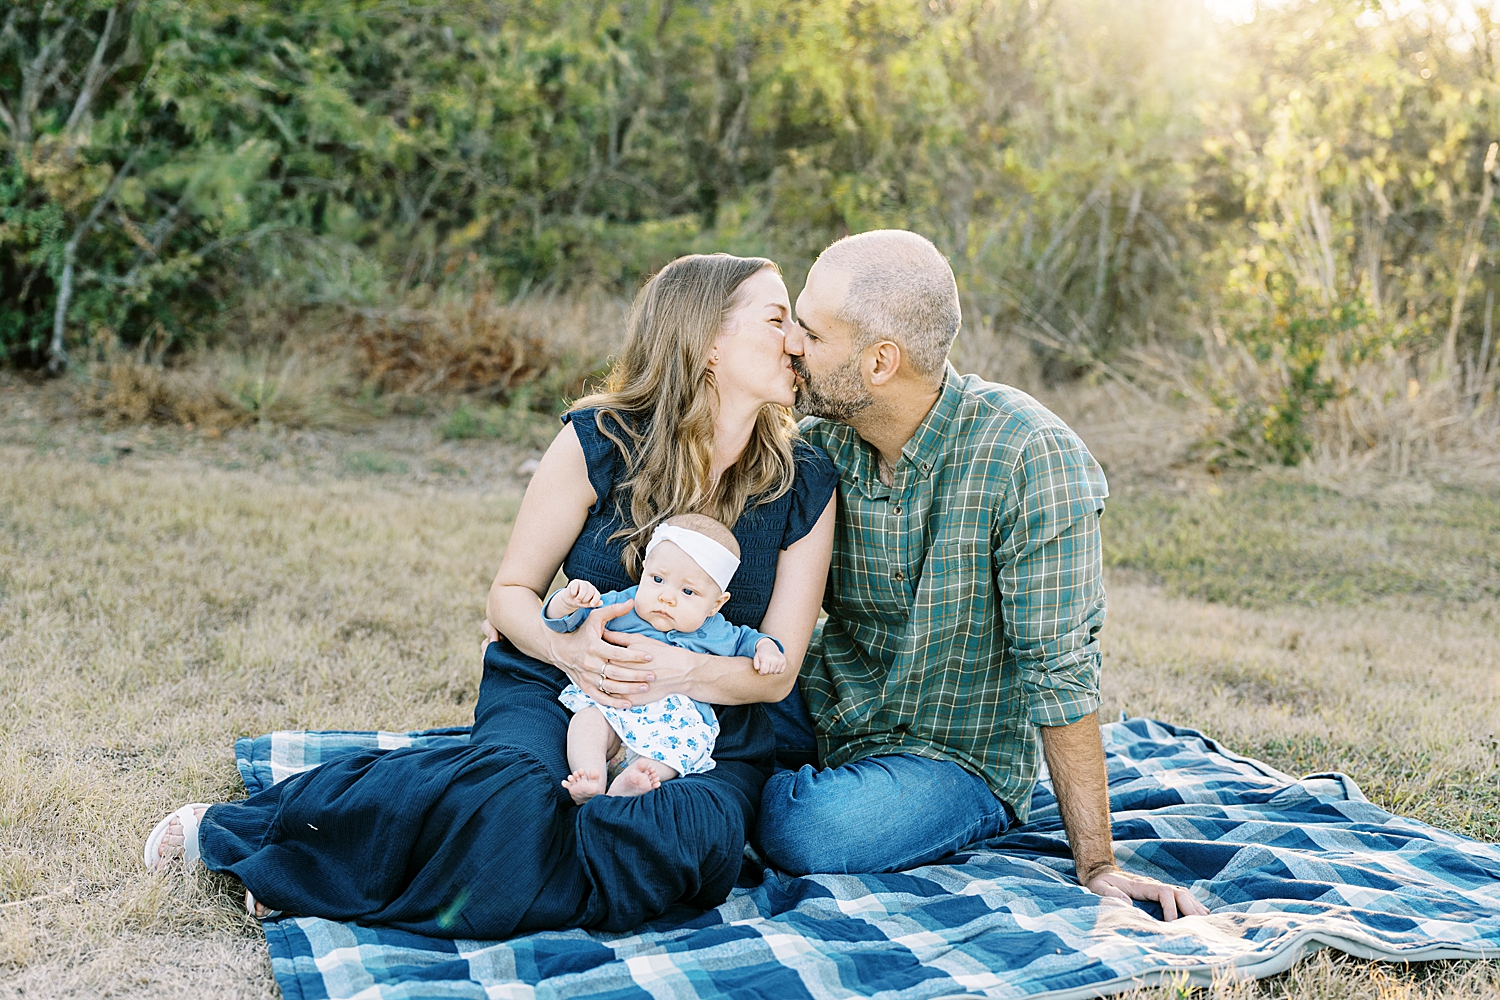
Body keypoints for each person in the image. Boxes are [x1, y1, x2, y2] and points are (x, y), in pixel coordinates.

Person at [144, 253, 838, 936]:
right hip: (556, 683)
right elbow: (510, 594)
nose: (797, 341)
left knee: (684, 843)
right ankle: (269, 837)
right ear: (707, 341)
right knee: (511, 804)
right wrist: (573, 653)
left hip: (707, 725)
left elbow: (776, 675)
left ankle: (367, 859)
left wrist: (676, 670)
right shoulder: (599, 440)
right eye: (779, 319)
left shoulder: (804, 479)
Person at [758, 229, 1208, 921]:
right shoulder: (820, 447)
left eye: (811, 333)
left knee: (808, 831)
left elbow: (1060, 668)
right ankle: (729, 786)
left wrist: (1097, 864)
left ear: (880, 362)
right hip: (828, 701)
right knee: (658, 717)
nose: (791, 343)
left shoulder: (1031, 457)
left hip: (953, 757)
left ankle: (739, 790)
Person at [548, 513, 787, 802]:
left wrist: (767, 648)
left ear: (715, 604)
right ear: (645, 569)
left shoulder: (715, 631)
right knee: (588, 720)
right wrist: (566, 602)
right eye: (658, 579)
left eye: (688, 591)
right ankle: (590, 775)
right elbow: (570, 621)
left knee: (682, 747)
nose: (667, 597)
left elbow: (747, 639)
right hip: (613, 705)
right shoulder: (624, 605)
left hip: (672, 724)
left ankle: (634, 781)